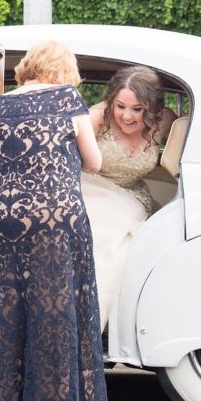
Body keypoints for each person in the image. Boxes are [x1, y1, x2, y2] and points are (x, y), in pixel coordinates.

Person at [0, 40, 111, 401]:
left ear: (28, 68)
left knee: (8, 316)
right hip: (54, 218)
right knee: (55, 315)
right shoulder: (68, 97)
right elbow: (93, 162)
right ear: (64, 71)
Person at [82, 66, 177, 327]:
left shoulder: (165, 120)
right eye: (120, 106)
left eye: (138, 109)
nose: (127, 116)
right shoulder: (95, 118)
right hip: (91, 190)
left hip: (133, 197)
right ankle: (86, 324)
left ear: (152, 108)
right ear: (111, 100)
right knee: (104, 242)